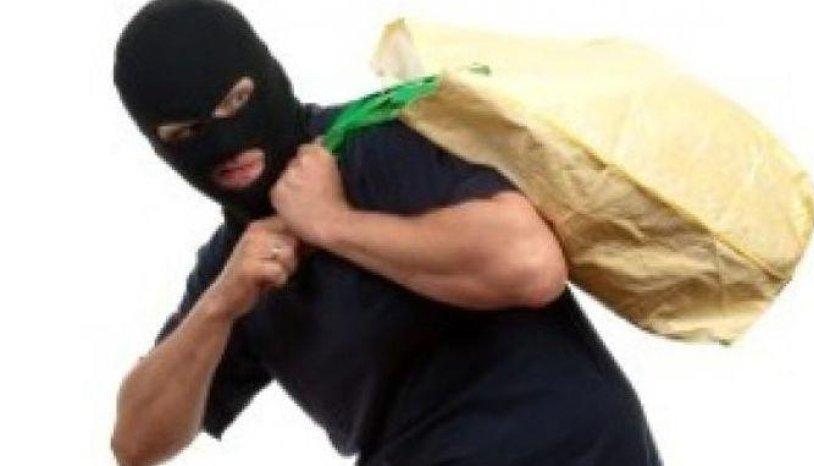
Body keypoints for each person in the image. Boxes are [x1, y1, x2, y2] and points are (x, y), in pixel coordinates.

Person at [110, 1, 662, 465]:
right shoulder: (237, 264)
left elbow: (529, 265)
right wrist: (219, 308)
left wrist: (332, 223)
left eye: (235, 101)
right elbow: (135, 445)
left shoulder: (376, 139)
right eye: (185, 132)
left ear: (269, 74)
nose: (225, 142)